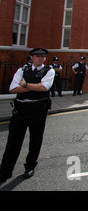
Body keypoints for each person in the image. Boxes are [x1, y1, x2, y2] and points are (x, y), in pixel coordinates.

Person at [0, 48, 55, 184]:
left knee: (35, 139)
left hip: (38, 108)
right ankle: (5, 171)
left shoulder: (49, 71)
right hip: (21, 108)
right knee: (13, 141)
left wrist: (25, 85)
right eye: (37, 56)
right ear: (31, 58)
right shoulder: (22, 70)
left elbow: (44, 88)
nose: (40, 58)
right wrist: (33, 86)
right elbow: (13, 88)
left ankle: (30, 166)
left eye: (43, 56)